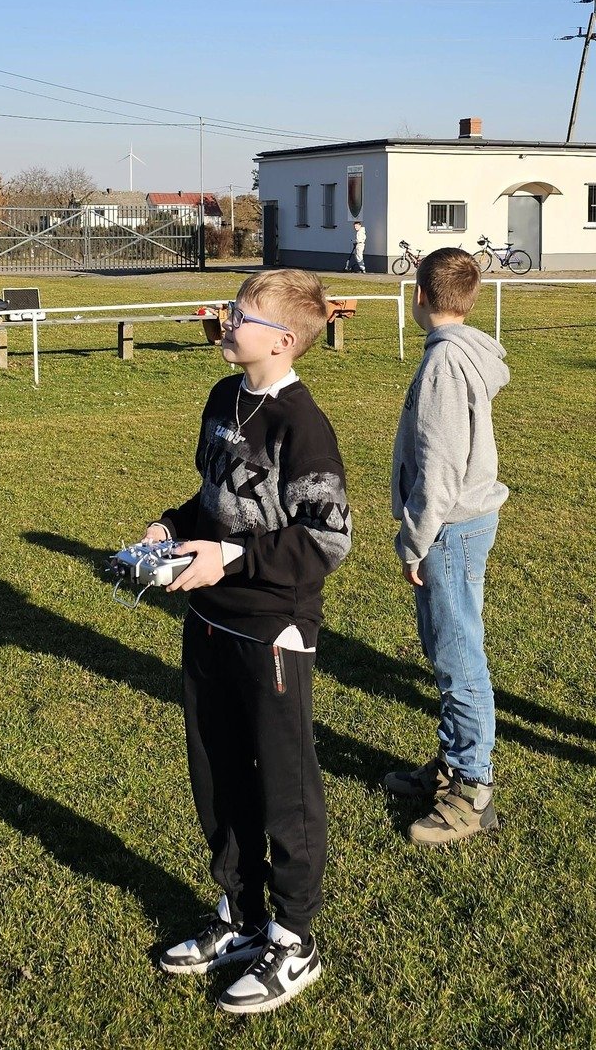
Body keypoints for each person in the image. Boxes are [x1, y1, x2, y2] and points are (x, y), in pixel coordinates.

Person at [148, 268, 352, 1014]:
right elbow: (216, 500)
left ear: (284, 339)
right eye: (231, 310)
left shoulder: (303, 425)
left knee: (284, 791)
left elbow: (328, 538)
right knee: (218, 773)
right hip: (208, 618)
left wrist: (230, 559)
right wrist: (172, 526)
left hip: (273, 629)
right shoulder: (222, 397)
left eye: (241, 315)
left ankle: (294, 941)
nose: (226, 321)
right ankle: (240, 912)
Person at [383, 247, 511, 844]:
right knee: (447, 645)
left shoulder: (443, 362)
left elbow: (439, 466)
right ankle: (454, 760)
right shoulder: (461, 351)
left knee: (459, 657)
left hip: (450, 527)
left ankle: (473, 789)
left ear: (418, 295)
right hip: (460, 524)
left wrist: (416, 539)